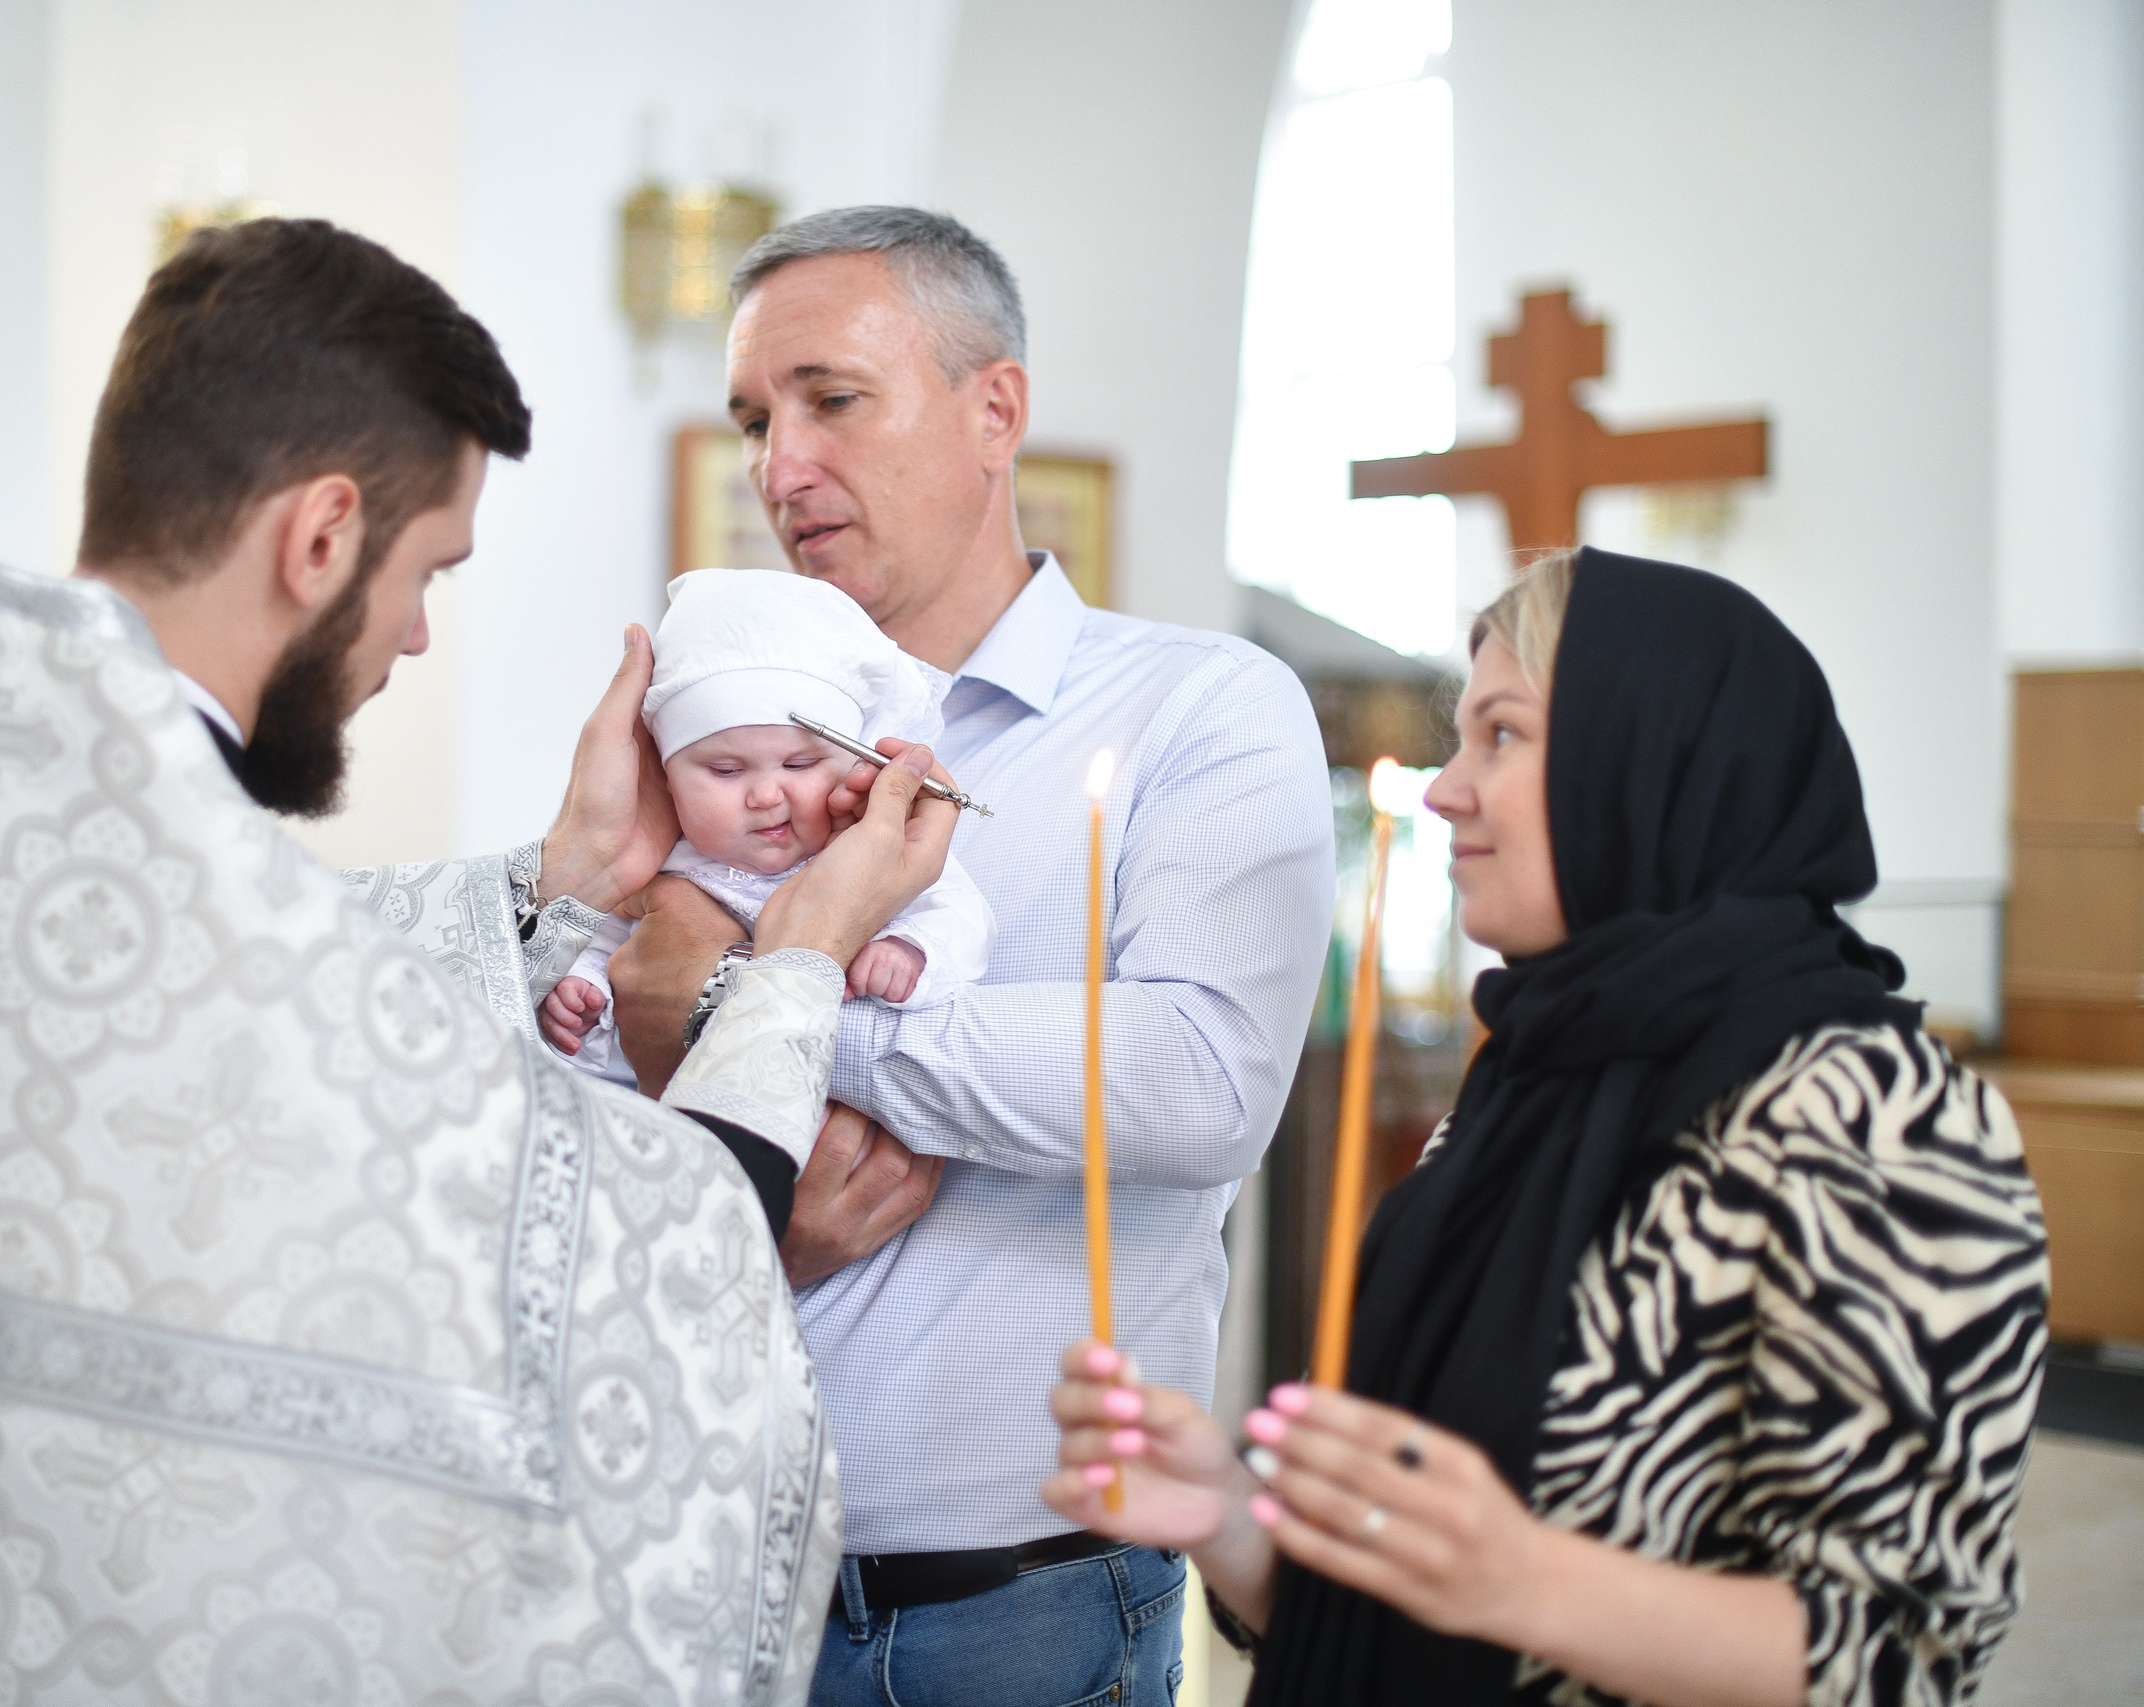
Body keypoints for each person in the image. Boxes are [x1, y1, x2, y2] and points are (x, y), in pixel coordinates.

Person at [0, 217, 957, 1705]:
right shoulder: (183, 897)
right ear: (321, 535)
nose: (408, 636)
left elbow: (278, 976)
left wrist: (570, 883)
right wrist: (800, 952)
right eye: (427, 572)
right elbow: (669, 1265)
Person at [1045, 548, 2049, 1706]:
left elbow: (1899, 1655)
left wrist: (1525, 1580)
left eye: (1502, 736)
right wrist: (1224, 1514)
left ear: (1647, 762)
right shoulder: (1524, 1078)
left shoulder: (1875, 1116)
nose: (1443, 787)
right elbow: (1385, 1601)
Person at [598, 207, 1335, 1703]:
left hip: (1018, 1604)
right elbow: (602, 1080)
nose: (776, 464)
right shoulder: (716, 740)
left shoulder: (1199, 709)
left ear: (994, 408)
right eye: (752, 417)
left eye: (831, 399)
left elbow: (1192, 1081)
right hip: (695, 1564)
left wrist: (754, 997)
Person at [543, 567, 995, 1081]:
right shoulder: (659, 868)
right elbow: (604, 946)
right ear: (666, 778)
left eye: (799, 766)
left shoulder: (880, 853)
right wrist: (582, 988)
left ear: (855, 762)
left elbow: (960, 916)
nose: (764, 795)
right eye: (725, 771)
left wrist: (910, 950)